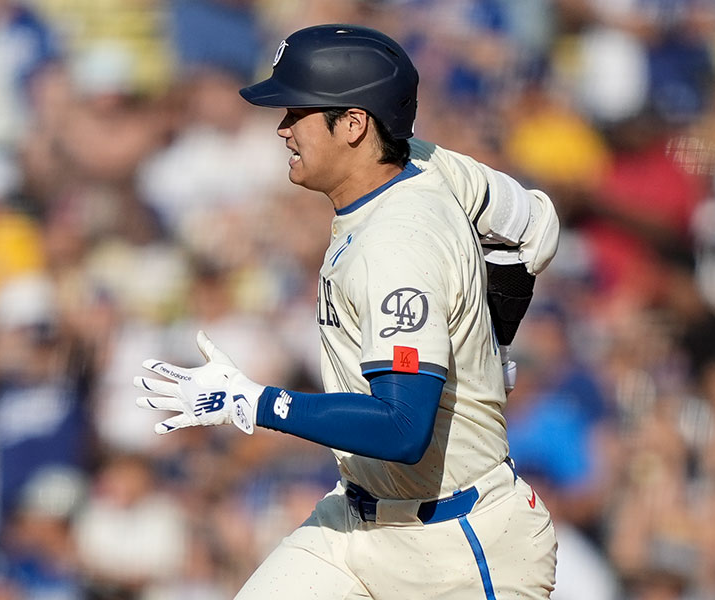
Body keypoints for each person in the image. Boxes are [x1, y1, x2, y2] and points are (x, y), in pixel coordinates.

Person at [135, 24, 559, 599]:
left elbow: (403, 428)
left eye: (296, 112)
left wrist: (255, 402)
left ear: (354, 124)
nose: (282, 129)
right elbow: (533, 225)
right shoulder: (428, 162)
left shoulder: (397, 245)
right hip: (354, 524)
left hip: (456, 546)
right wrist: (492, 338)